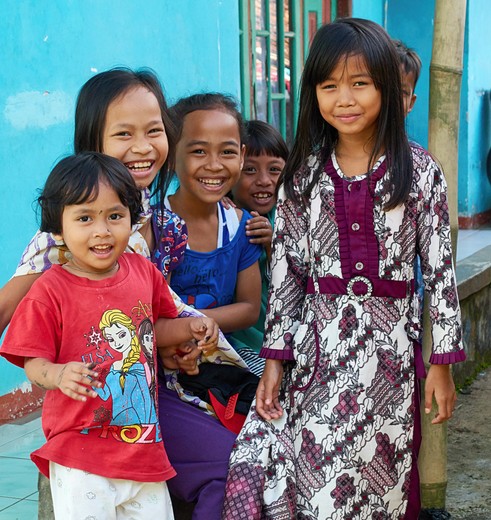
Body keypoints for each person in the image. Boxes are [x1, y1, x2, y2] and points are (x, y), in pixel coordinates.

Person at [223, 18, 465, 519]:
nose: (345, 99)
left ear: (385, 84)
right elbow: (288, 276)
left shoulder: (420, 173)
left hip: (391, 360)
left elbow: (440, 273)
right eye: (329, 85)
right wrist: (274, 360)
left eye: (360, 83)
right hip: (317, 357)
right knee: (313, 483)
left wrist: (439, 365)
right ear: (314, 92)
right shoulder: (302, 177)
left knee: (383, 480)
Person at [0, 152, 219, 519]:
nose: (102, 231)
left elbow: (152, 330)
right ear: (57, 230)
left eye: (115, 216)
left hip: (143, 446)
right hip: (80, 451)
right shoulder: (49, 289)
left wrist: (192, 327)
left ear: (131, 220)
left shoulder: (142, 271)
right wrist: (58, 374)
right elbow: (32, 361)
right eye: (84, 218)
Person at [0, 68, 188, 341]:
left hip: (142, 377)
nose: (143, 147)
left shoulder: (166, 227)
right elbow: (5, 308)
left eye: (154, 131)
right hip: (75, 378)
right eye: (124, 134)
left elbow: (152, 318)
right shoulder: (72, 232)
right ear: (93, 142)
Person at [158, 93, 263, 519]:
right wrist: (184, 331)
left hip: (220, 368)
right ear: (172, 155)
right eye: (198, 150)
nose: (214, 165)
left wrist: (194, 324)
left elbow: (249, 308)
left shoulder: (238, 226)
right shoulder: (153, 228)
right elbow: (143, 319)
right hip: (162, 381)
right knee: (230, 466)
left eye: (228, 151)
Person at [228, 120, 289, 375]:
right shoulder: (222, 217)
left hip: (279, 340)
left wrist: (272, 243)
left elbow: (299, 279)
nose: (264, 181)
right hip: (237, 341)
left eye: (274, 170)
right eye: (250, 170)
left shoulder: (290, 217)